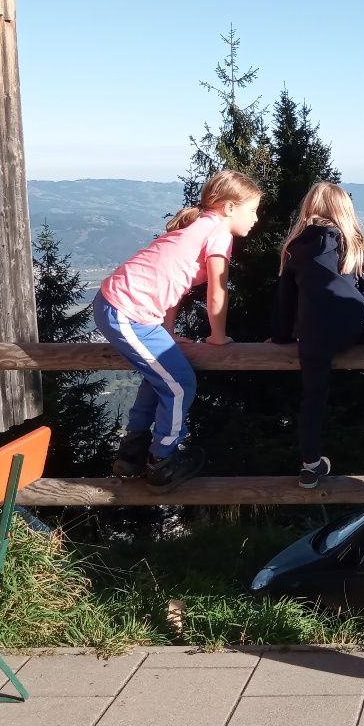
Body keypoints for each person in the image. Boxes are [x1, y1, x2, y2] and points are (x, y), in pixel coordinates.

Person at [93, 170, 262, 494]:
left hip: (125, 309)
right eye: (252, 210)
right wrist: (218, 336)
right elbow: (218, 290)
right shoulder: (218, 233)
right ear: (229, 207)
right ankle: (162, 462)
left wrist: (167, 332)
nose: (255, 219)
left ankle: (132, 453)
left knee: (161, 378)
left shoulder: (199, 228)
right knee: (181, 384)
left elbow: (173, 286)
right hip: (125, 311)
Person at [274, 181, 364, 488]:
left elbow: (286, 301)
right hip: (352, 323)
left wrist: (281, 337)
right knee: (361, 318)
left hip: (313, 333)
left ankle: (310, 466)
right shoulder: (354, 244)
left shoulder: (295, 248)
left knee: (313, 397)